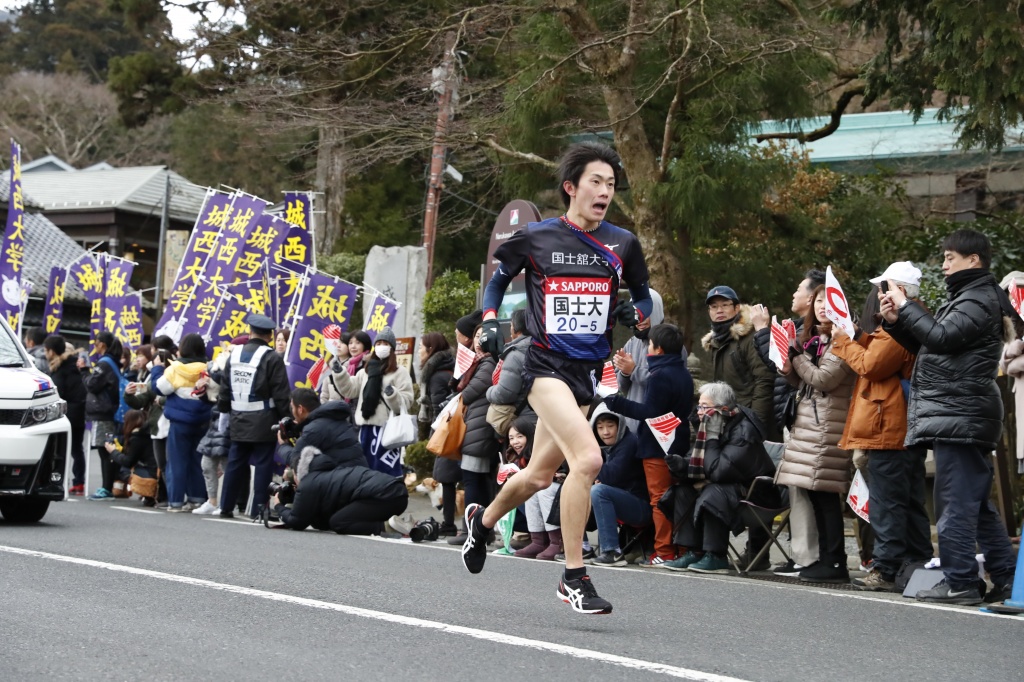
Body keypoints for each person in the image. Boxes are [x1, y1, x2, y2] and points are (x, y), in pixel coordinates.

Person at [464, 141, 654, 614]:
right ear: (571, 187)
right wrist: (489, 317)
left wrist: (637, 312)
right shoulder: (538, 237)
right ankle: (573, 576)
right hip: (545, 369)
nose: (605, 191)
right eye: (596, 181)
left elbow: (646, 299)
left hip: (587, 374)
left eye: (611, 184)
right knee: (587, 460)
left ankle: (482, 524)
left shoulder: (623, 243)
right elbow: (497, 278)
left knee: (538, 475)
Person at [882, 229, 1019, 605]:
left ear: (973, 260)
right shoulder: (970, 297)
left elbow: (940, 338)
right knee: (974, 505)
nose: (943, 265)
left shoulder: (977, 299)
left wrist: (907, 306)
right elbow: (935, 347)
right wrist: (897, 321)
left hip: (963, 413)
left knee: (955, 504)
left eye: (950, 257)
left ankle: (961, 581)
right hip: (962, 413)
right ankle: (1006, 579)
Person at [832, 263, 933, 592]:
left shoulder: (904, 323)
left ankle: (887, 570)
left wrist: (844, 342)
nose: (879, 294)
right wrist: (858, 336)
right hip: (898, 427)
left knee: (888, 503)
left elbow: (872, 364)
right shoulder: (913, 320)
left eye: (885, 287)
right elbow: (875, 351)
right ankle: (917, 564)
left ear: (901, 290)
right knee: (909, 501)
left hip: (889, 428)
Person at [775, 285, 856, 583]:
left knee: (824, 493)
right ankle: (825, 559)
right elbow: (805, 382)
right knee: (812, 491)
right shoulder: (817, 340)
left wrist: (795, 356)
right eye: (819, 301)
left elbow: (823, 379)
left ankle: (835, 562)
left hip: (829, 425)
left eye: (829, 300)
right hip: (811, 423)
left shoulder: (845, 337)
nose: (823, 306)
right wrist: (788, 366)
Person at [661, 382, 779, 573]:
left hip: (755, 494)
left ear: (723, 409)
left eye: (705, 407)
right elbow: (697, 462)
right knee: (682, 490)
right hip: (730, 489)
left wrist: (713, 437)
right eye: (699, 406)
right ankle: (694, 551)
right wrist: (680, 465)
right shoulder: (708, 426)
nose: (699, 412)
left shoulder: (744, 431)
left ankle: (716, 555)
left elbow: (718, 472)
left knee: (712, 492)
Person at [604, 323, 693, 567]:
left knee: (658, 499)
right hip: (678, 441)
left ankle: (663, 551)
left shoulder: (660, 375)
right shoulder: (682, 373)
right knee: (677, 497)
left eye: (651, 345)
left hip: (656, 445)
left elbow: (649, 412)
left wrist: (616, 403)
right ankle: (682, 548)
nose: (648, 350)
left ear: (659, 349)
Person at [217, 313, 293, 519]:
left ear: (250, 332)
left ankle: (225, 507)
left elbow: (224, 389)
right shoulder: (272, 358)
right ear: (270, 335)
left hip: (237, 417)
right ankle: (258, 509)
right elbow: (281, 394)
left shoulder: (234, 355)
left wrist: (225, 409)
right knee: (262, 465)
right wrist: (287, 421)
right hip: (264, 419)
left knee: (235, 462)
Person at [326, 326, 414, 477]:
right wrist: (340, 373)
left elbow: (407, 400)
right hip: (366, 428)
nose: (381, 347)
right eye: (378, 344)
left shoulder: (400, 372)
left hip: (387, 430)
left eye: (385, 344)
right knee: (365, 467)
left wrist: (392, 395)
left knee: (385, 469)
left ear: (392, 348)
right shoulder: (365, 371)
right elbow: (349, 389)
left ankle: (387, 495)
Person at [273, 446, 409, 534]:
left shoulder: (309, 483)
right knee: (341, 517)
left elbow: (297, 521)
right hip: (396, 492)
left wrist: (278, 506)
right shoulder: (331, 473)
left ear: (299, 472)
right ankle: (402, 523)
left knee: (339, 522)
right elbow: (324, 520)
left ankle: (387, 527)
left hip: (384, 495)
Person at [701, 285, 776, 439]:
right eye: (714, 307)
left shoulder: (751, 337)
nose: (719, 310)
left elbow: (764, 380)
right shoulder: (716, 342)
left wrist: (755, 423)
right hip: (728, 418)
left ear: (736, 308)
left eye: (724, 305)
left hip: (750, 420)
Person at [612, 289, 686, 435]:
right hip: (632, 428)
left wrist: (634, 370)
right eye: (635, 314)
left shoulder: (672, 344)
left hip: (661, 431)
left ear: (656, 312)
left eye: (644, 314)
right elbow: (622, 387)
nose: (639, 320)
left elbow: (670, 385)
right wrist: (624, 371)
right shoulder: (632, 343)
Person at [152, 332, 212, 512]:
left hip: (179, 423)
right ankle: (197, 499)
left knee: (177, 462)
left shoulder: (175, 369)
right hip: (203, 421)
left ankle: (176, 502)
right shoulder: (208, 367)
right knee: (198, 461)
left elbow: (159, 388)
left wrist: (156, 369)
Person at [587, 404, 647, 567]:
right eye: (600, 427)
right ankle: (581, 546)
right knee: (574, 489)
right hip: (623, 500)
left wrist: (589, 459)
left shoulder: (629, 443)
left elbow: (610, 476)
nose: (605, 432)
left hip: (641, 506)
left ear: (620, 425)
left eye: (610, 426)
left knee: (598, 491)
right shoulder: (608, 447)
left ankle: (612, 551)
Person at [417, 332, 458, 535]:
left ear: (430, 349)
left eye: (421, 347)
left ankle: (449, 524)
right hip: (457, 429)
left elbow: (440, 410)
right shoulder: (449, 369)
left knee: (447, 477)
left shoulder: (435, 376)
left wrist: (433, 433)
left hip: (447, 431)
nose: (418, 351)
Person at [455, 325, 498, 511]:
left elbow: (469, 393)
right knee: (478, 480)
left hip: (479, 429)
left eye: (483, 337)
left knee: (473, 480)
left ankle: (470, 528)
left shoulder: (488, 364)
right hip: (475, 426)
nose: (479, 341)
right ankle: (479, 528)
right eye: (477, 335)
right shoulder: (475, 363)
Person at [276, 388, 365, 471]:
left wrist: (283, 446)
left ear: (300, 409)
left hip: (342, 479)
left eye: (292, 407)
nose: (292, 412)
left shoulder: (313, 430)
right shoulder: (335, 417)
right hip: (359, 472)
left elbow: (296, 462)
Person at [81, 331, 124, 500]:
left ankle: (106, 488)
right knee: (107, 448)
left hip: (103, 413)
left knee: (105, 449)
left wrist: (84, 371)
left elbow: (92, 385)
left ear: (103, 345)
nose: (94, 345)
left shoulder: (104, 363)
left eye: (96, 342)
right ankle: (109, 486)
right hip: (109, 412)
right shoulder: (112, 362)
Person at [44, 335, 87, 495]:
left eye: (46, 350)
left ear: (52, 352)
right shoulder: (74, 365)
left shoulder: (61, 369)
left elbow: (58, 393)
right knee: (76, 449)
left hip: (66, 415)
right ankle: (79, 482)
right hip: (79, 413)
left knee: (58, 450)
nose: (45, 353)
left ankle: (56, 480)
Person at [485, 308, 533, 436]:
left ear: (517, 329)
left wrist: (489, 391)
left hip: (521, 423)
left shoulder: (516, 354)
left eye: (511, 325)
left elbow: (504, 394)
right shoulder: (541, 349)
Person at [105, 409, 159, 507]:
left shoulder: (137, 438)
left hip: (151, 472)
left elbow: (128, 461)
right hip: (158, 470)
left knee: (123, 470)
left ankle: (147, 492)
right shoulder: (150, 433)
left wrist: (113, 451)